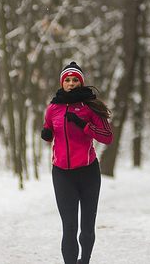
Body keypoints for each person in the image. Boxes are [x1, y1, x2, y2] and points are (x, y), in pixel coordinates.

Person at [41, 61, 113, 264]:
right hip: (62, 173)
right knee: (69, 226)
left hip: (88, 172)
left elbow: (107, 137)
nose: (71, 84)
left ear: (80, 83)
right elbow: (49, 132)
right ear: (62, 83)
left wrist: (84, 124)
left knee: (87, 228)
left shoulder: (90, 106)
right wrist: (46, 134)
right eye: (67, 80)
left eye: (75, 80)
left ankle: (85, 260)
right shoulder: (53, 107)